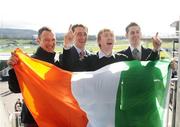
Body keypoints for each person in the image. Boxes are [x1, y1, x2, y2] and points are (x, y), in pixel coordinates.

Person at [8, 26, 57, 127]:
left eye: (53, 40)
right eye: (46, 40)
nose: (51, 43)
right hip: (33, 119)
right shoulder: (29, 63)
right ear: (38, 40)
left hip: (53, 117)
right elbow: (15, 88)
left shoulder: (56, 64)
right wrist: (13, 69)